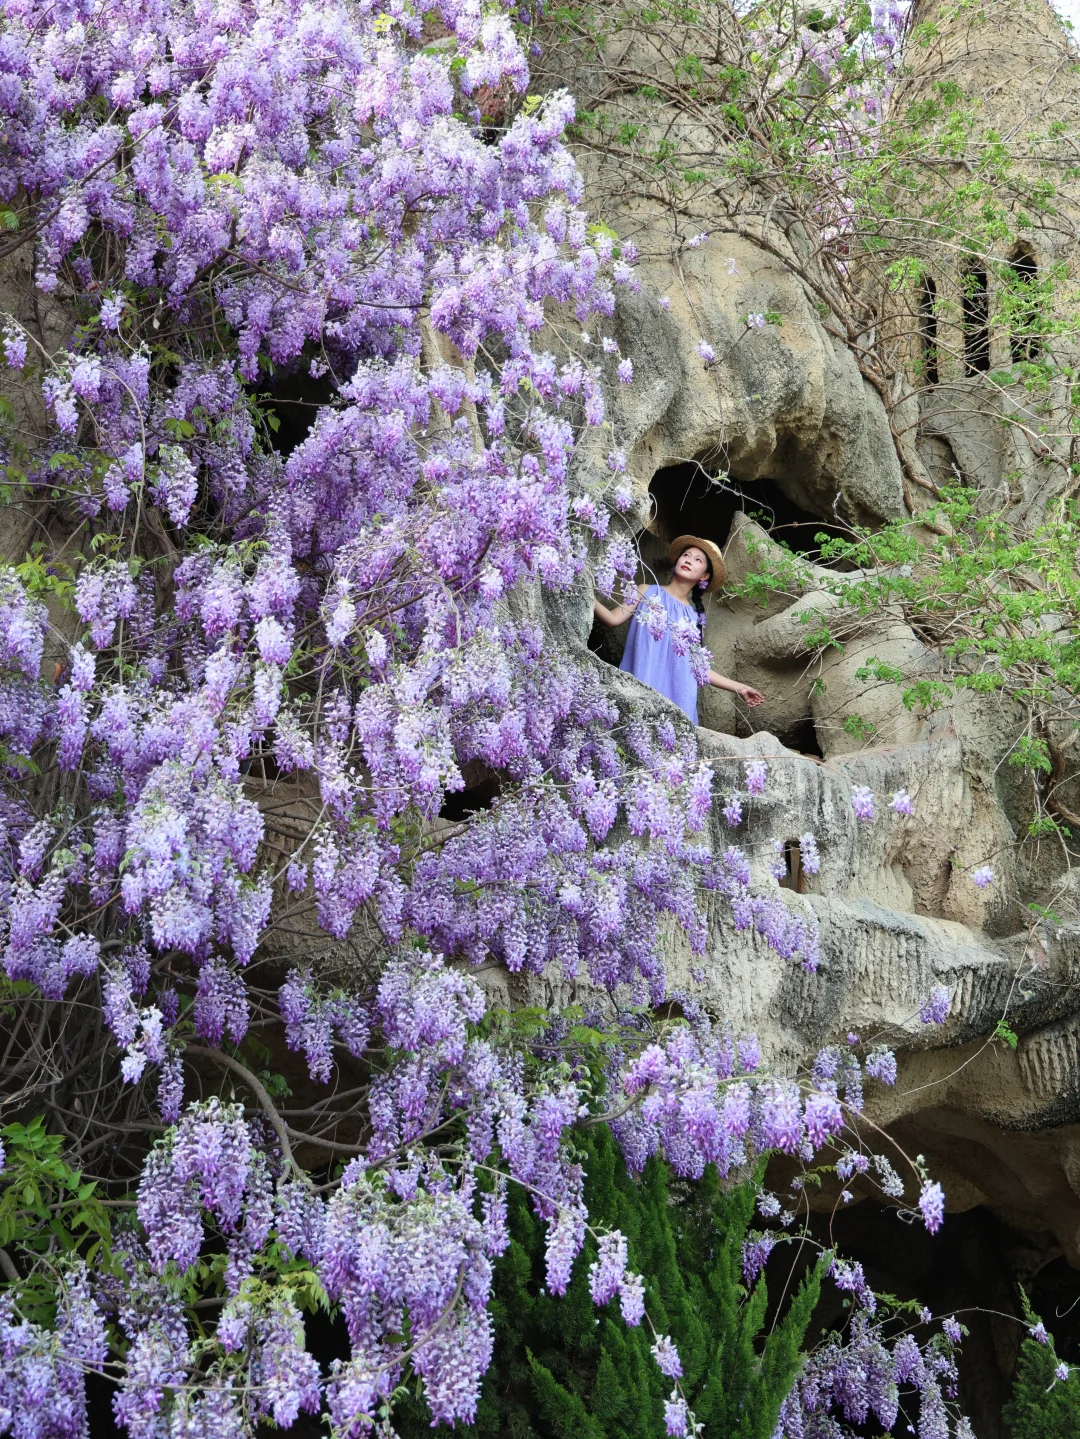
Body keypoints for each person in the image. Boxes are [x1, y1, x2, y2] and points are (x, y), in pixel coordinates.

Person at [593, 535, 765, 725]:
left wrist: (739, 688)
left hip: (677, 704)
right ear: (677, 560)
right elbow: (612, 619)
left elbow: (699, 669)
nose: (689, 560)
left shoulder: (693, 619)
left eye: (697, 560)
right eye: (686, 555)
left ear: (704, 576)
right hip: (636, 693)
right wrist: (586, 595)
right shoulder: (645, 591)